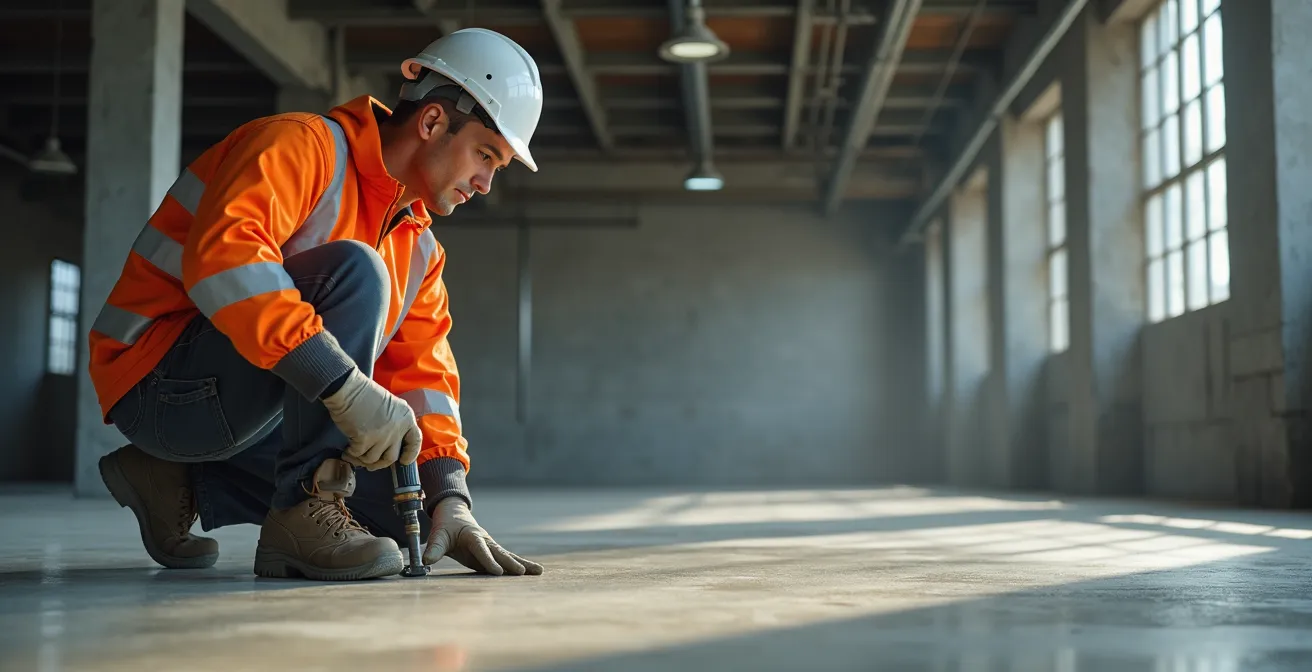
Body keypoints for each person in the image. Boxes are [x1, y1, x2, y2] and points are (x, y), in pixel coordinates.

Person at [85, 28, 544, 581]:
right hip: (159, 381)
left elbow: (424, 377)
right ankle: (302, 512)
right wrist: (343, 386)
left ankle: (175, 478)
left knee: (412, 517)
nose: (486, 183)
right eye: (485, 155)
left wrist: (450, 496)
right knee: (354, 270)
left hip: (242, 407)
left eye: (497, 166)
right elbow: (225, 259)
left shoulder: (419, 249)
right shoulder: (302, 146)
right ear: (431, 122)